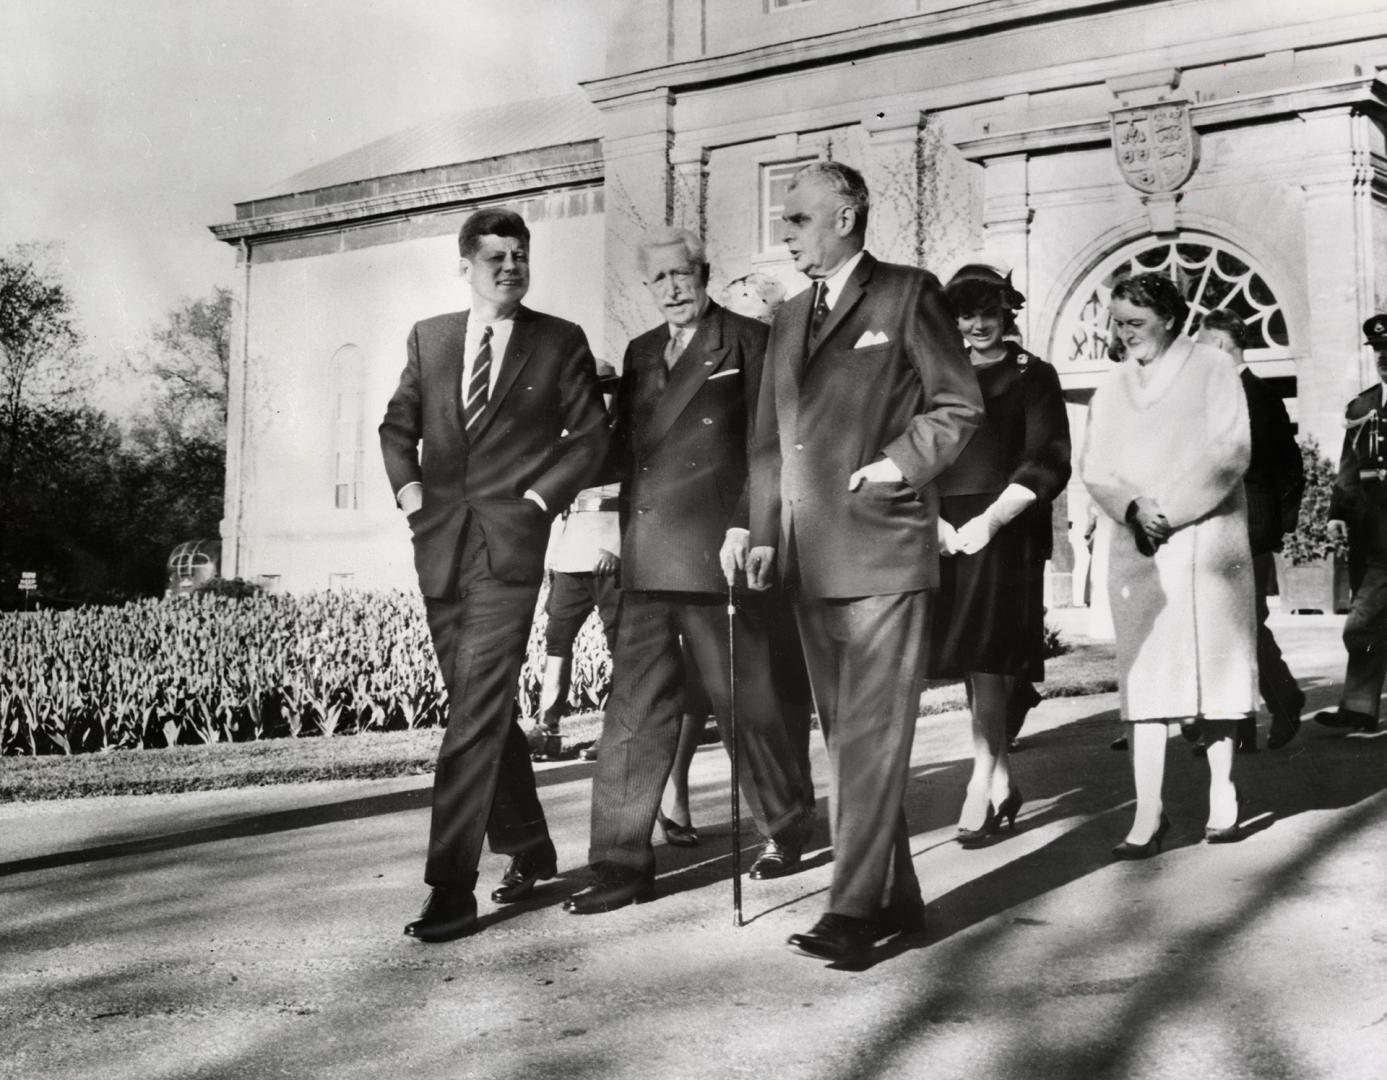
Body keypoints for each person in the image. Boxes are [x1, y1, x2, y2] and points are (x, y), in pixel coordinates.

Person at [731, 160, 984, 962]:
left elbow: (958, 406)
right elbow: (770, 445)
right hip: (810, 562)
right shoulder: (788, 316)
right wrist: (762, 531)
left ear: (844, 218)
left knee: (870, 739)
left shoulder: (909, 294)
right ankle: (895, 898)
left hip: (882, 551)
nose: (785, 234)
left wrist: (894, 467)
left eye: (797, 220)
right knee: (849, 742)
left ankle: (853, 910)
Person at [565, 227, 815, 914]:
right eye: (659, 280)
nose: (672, 288)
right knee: (632, 715)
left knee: (745, 701)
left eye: (682, 274)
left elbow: (770, 450)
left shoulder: (746, 341)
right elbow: (622, 449)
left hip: (717, 551)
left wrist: (746, 525)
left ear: (702, 273)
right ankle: (619, 863)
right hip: (647, 555)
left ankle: (785, 826)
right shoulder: (641, 352)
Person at [379, 207, 610, 942]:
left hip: (509, 552)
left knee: (472, 711)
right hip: (440, 548)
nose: (510, 267)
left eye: (520, 256)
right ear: (466, 266)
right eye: (495, 259)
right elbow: (397, 426)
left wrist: (540, 499)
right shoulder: (432, 337)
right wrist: (412, 495)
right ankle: (530, 846)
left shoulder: (557, 340)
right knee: (477, 705)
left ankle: (450, 887)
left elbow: (592, 437)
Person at [1079, 271, 1255, 858]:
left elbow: (1230, 450)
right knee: (1147, 675)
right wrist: (1132, 507)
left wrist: (1172, 510)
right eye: (1117, 322)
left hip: (1206, 540)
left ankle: (1222, 793)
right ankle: (1148, 812)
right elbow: (1095, 466)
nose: (1122, 334)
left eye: (1135, 323)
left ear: (1170, 319)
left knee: (1215, 669)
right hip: (1140, 547)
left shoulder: (1213, 368)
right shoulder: (1110, 389)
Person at [931, 265, 1071, 845]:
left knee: (989, 655)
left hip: (1005, 527)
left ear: (1007, 313)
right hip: (941, 530)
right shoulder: (939, 373)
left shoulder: (1033, 374)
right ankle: (1002, 784)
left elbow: (1048, 457)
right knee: (968, 658)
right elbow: (920, 446)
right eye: (966, 314)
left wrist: (991, 520)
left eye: (990, 312)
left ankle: (978, 784)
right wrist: (931, 518)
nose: (978, 324)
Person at [1196, 309, 1306, 750]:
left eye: (1203, 346)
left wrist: (1278, 527)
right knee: (1229, 624)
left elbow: (1287, 467)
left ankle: (1282, 702)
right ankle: (1239, 726)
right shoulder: (1216, 394)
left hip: (1249, 527)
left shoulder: (1258, 396)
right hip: (1219, 525)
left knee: (1245, 625)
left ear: (1222, 346)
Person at [1314, 314, 1387, 735]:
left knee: (1363, 621)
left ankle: (1360, 707)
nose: (1384, 358)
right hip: (1370, 534)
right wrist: (1337, 515)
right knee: (1368, 621)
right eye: (1378, 351)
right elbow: (1348, 469)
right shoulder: (1361, 407)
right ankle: (1359, 708)